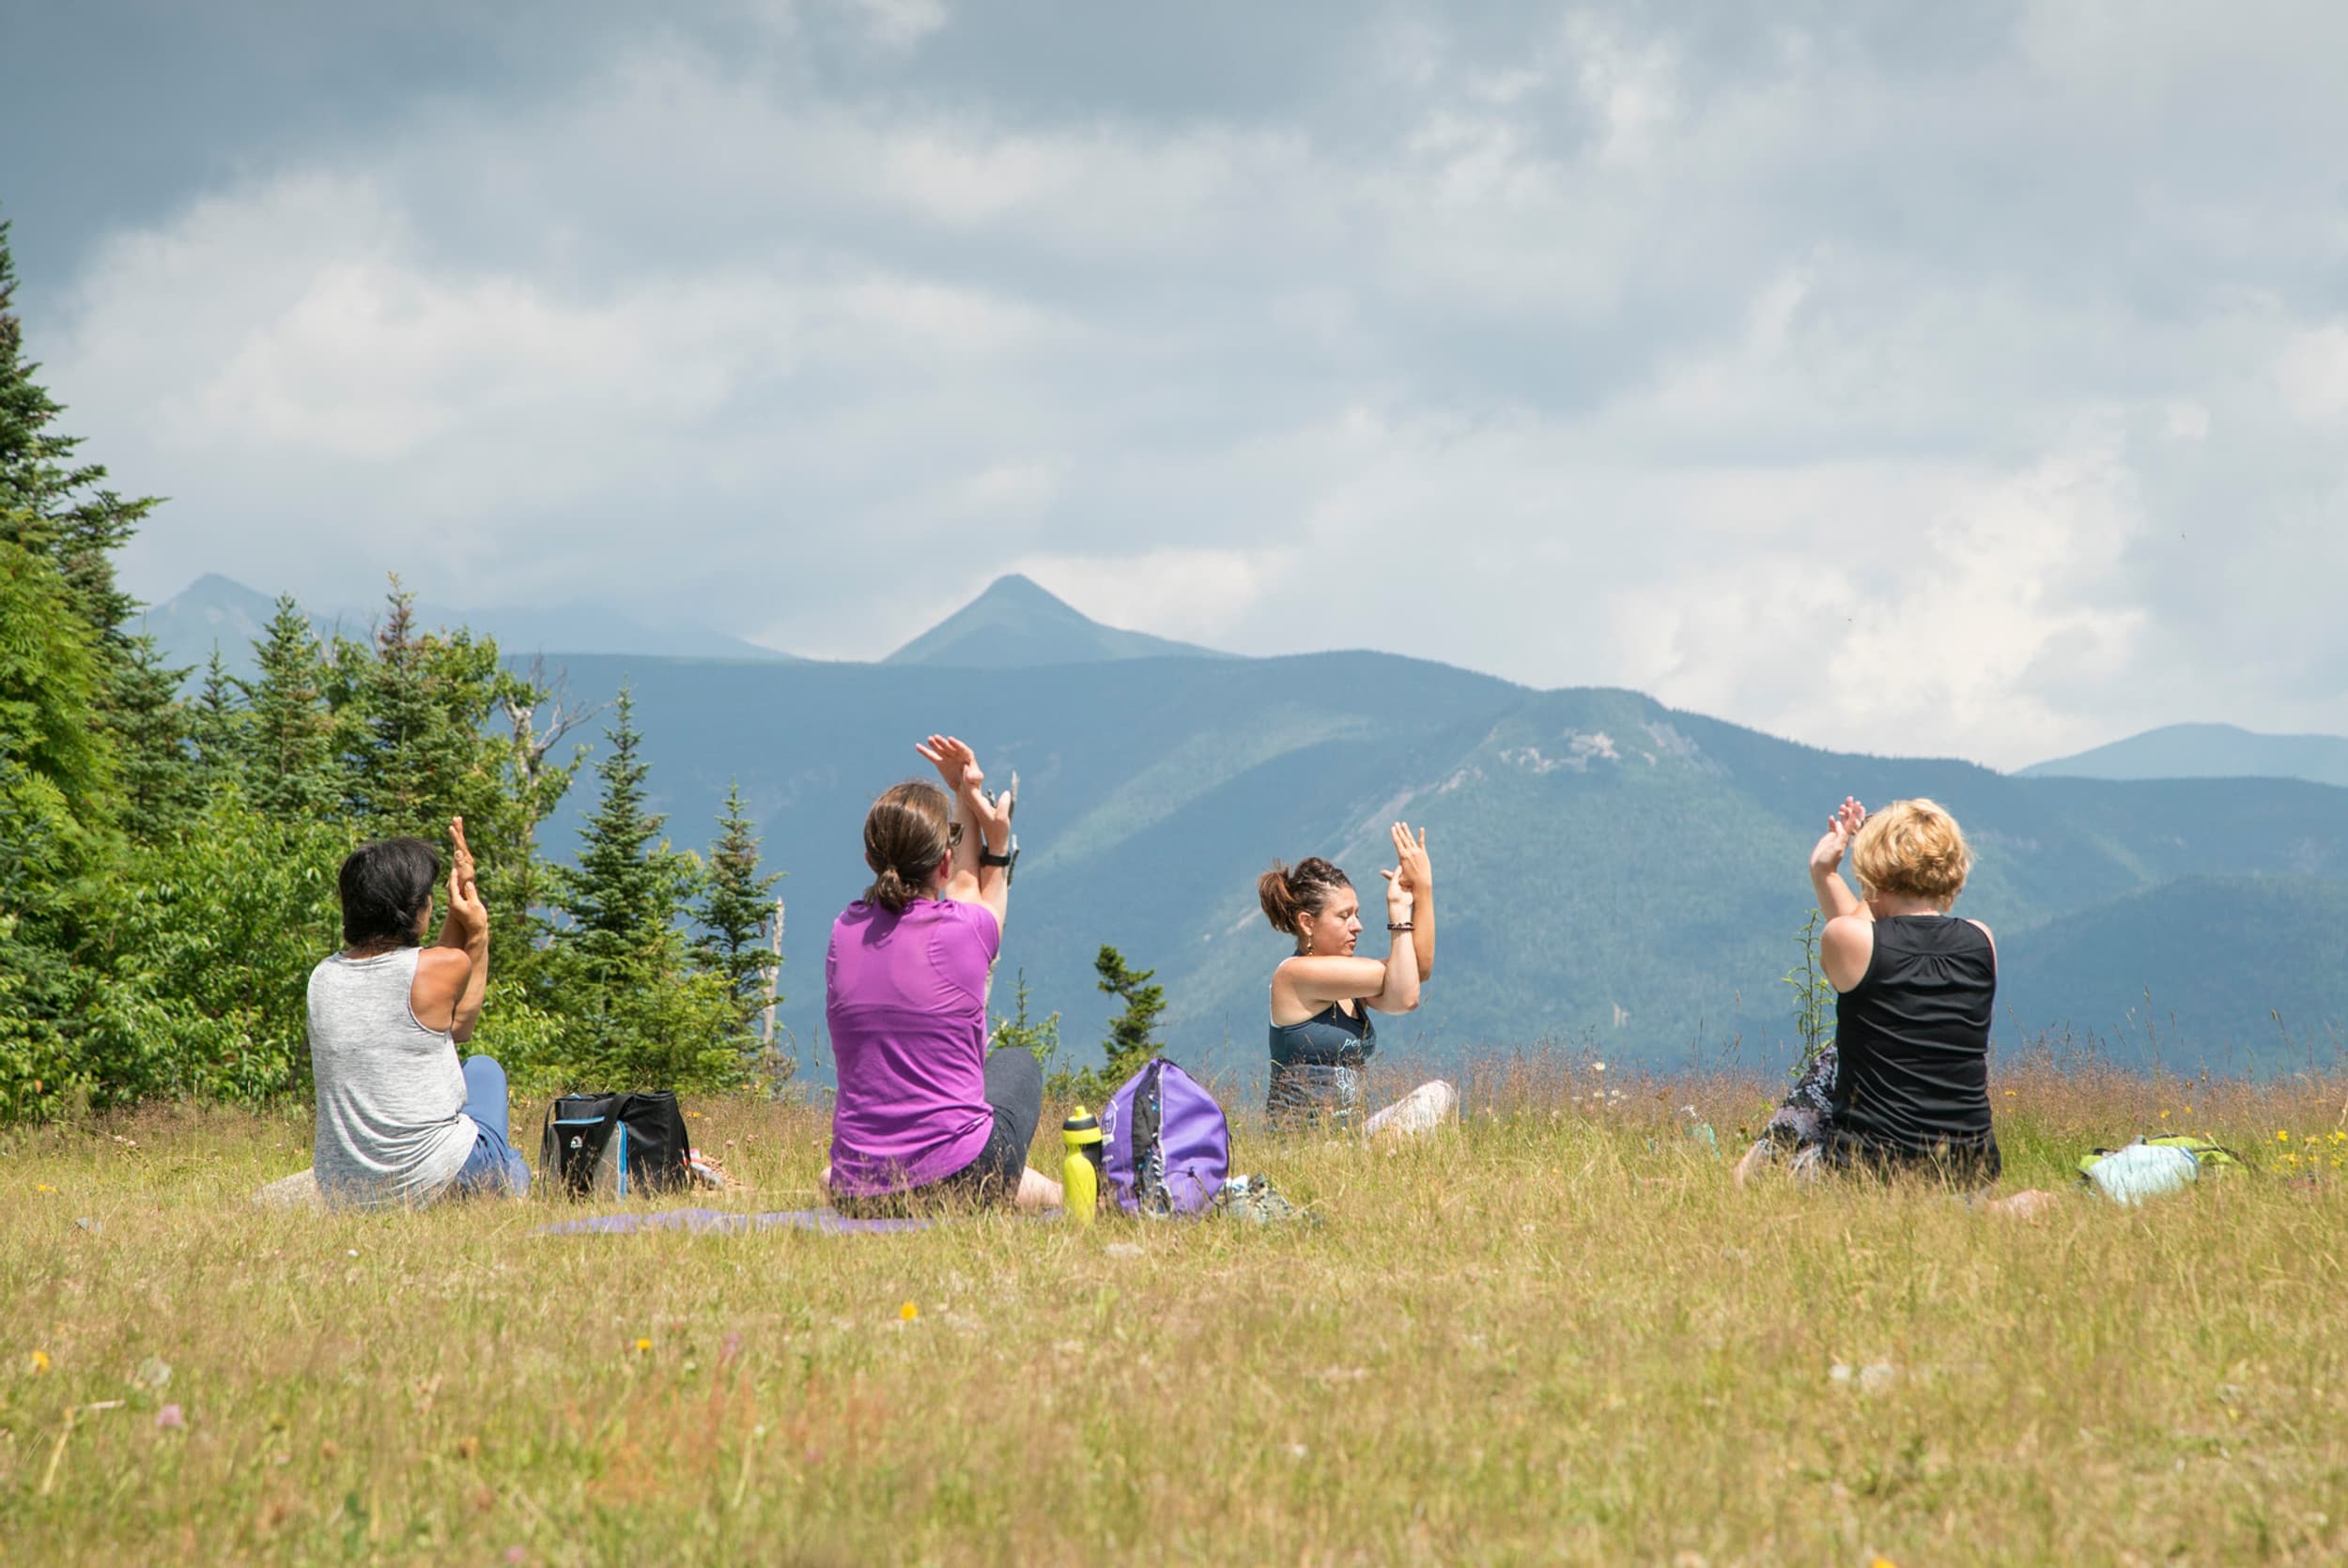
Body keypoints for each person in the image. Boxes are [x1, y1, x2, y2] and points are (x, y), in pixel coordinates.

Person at [1738, 796, 2036, 1201]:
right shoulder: (1981, 940)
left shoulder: (1845, 938)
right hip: (1971, 1176)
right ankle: (1983, 1211)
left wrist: (1826, 870)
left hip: (1864, 1178)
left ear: (1876, 870)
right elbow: (1878, 940)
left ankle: (1746, 1178)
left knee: (1833, 1059)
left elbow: (1863, 938)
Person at [823, 736, 1061, 1213]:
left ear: (870, 859)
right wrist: (990, 831)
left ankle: (1035, 1192)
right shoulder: (964, 932)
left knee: (830, 1175)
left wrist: (960, 796)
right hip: (962, 1175)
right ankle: (1050, 1194)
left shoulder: (843, 932)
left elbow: (960, 887)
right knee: (1016, 1065)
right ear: (944, 862)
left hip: (857, 1186)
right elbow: (976, 890)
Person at [307, 819, 530, 1208]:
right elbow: (459, 1024)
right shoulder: (437, 969)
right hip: (436, 1174)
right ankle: (508, 1179)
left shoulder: (322, 977)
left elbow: (428, 978)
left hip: (346, 1190)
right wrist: (476, 930)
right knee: (483, 1071)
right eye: (426, 897)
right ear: (411, 910)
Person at [1258, 822, 1456, 1133]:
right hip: (1303, 1145)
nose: (1357, 926)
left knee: (1438, 1094)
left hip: (1349, 1137)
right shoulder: (1294, 975)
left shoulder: (1353, 985)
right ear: (1307, 923)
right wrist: (1398, 914)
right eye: (1344, 916)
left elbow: (1416, 973)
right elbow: (1406, 996)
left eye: (1358, 914)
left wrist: (1422, 890)